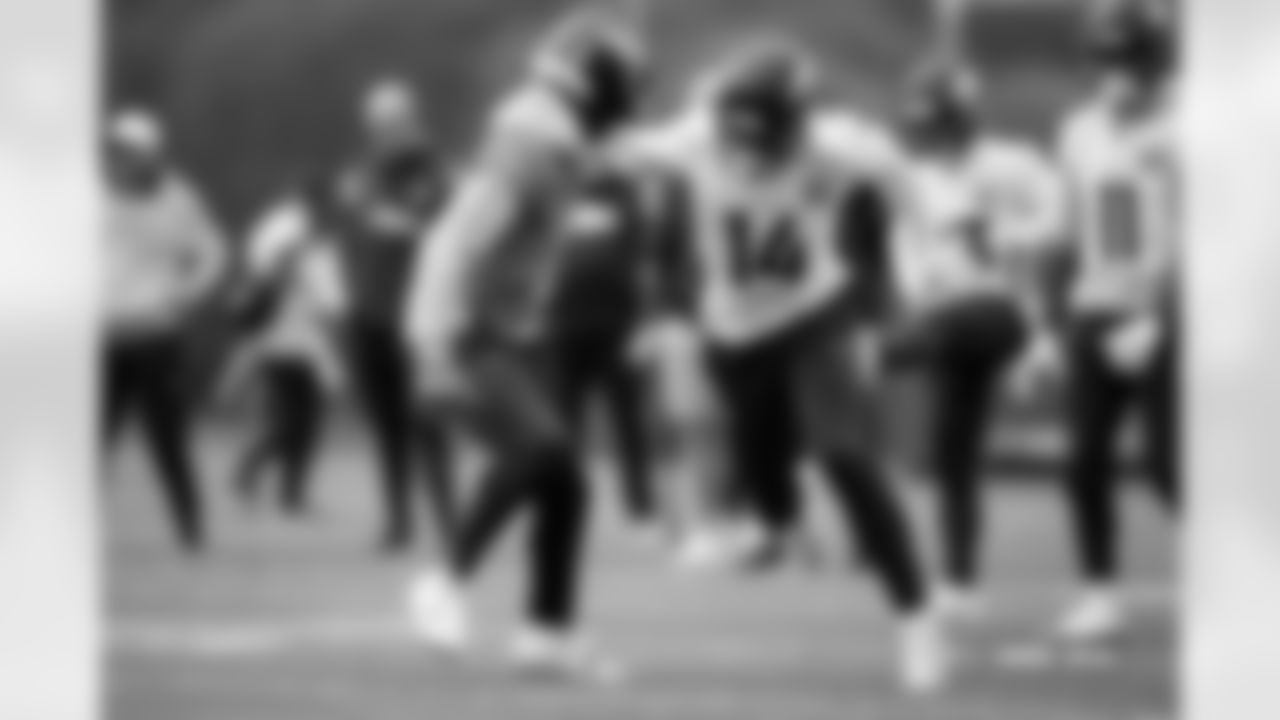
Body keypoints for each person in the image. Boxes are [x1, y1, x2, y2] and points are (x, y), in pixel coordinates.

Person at [639, 38, 948, 693]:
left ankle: (916, 617)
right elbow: (620, 152)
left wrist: (925, 263)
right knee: (765, 491)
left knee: (844, 456)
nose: (748, 158)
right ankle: (783, 524)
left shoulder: (841, 147)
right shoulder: (692, 137)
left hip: (814, 314)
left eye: (765, 142)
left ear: (797, 125)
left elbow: (903, 184)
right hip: (734, 333)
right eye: (738, 140)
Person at [403, 10, 649, 680]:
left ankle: (548, 635)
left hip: (508, 333)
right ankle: (443, 584)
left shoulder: (555, 131)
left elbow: (621, 149)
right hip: (469, 330)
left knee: (566, 483)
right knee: (541, 450)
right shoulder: (534, 142)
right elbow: (451, 242)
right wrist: (432, 347)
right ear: (594, 84)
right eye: (624, 84)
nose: (629, 101)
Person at [889, 61, 1067, 622]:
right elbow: (908, 258)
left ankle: (874, 358)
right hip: (950, 323)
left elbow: (1062, 223)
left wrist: (1000, 233)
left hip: (1010, 310)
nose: (935, 138)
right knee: (952, 451)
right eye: (928, 126)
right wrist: (924, 289)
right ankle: (961, 580)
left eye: (942, 124)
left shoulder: (1014, 163)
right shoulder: (914, 180)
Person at [1048, 0, 1179, 644]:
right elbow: (1071, 230)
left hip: (1175, 311)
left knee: (1171, 465)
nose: (1116, 75)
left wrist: (1163, 315)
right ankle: (1098, 591)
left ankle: (1241, 580)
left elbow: (1221, 230)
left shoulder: (1196, 124)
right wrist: (1052, 326)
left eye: (1128, 61)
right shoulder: (1078, 130)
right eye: (1106, 61)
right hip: (1097, 306)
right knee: (1082, 461)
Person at [331, 78, 453, 552]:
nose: (385, 130)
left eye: (393, 120)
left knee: (427, 423)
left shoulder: (432, 170)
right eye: (377, 122)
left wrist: (387, 213)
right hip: (370, 314)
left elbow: (425, 222)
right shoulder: (363, 172)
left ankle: (450, 520)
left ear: (410, 119)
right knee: (386, 428)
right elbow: (353, 223)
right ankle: (397, 521)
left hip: (417, 317)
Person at [104, 108, 229, 552]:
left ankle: (189, 529)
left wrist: (188, 296)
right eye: (116, 149)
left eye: (130, 150)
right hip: (104, 337)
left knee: (168, 441)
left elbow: (212, 252)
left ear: (152, 153)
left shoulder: (179, 199)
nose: (120, 158)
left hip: (157, 337)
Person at [226, 178, 349, 515]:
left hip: (300, 344)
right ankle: (257, 473)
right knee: (296, 424)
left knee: (303, 424)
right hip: (288, 343)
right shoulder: (295, 242)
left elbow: (330, 300)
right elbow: (328, 302)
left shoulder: (307, 241)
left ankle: (288, 491)